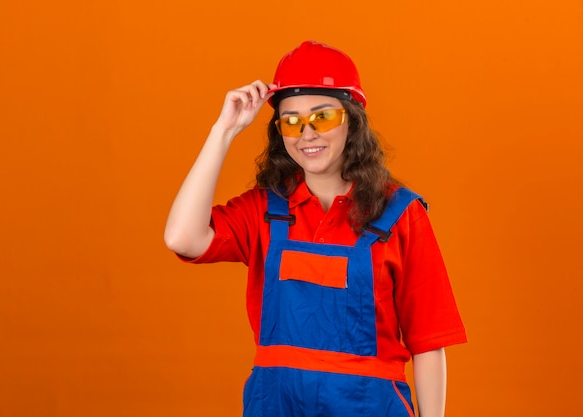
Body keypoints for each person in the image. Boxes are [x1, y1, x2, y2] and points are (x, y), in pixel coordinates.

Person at [165, 40, 467, 417]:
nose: (306, 133)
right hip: (275, 404)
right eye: (291, 121)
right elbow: (182, 237)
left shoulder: (400, 213)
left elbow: (428, 341)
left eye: (323, 117)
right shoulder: (265, 209)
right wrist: (223, 130)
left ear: (352, 121)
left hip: (371, 406)